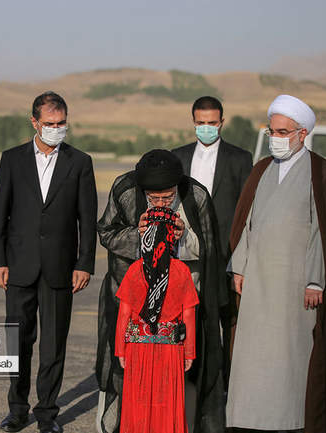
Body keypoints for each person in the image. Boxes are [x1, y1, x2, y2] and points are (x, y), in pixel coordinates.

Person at [227, 94, 326, 433]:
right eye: (272, 131)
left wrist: (315, 280)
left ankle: (293, 421)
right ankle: (252, 421)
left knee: (290, 360)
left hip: (296, 286)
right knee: (254, 358)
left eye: (283, 132)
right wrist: (239, 267)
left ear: (302, 134)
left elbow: (324, 233)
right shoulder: (261, 170)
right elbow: (247, 222)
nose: (276, 138)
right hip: (258, 282)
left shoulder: (322, 173)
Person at [0, 91, 98, 433]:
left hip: (60, 269)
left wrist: (84, 263)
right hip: (19, 266)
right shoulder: (12, 159)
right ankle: (17, 409)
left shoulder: (80, 162)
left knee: (53, 346)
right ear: (34, 122)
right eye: (50, 123)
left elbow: (87, 217)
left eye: (61, 122)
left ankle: (48, 414)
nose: (56, 128)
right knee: (18, 341)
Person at [96, 149, 226, 433]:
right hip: (134, 299)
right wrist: (138, 235)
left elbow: (211, 247)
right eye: (153, 198)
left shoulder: (196, 195)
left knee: (180, 379)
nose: (161, 203)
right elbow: (106, 232)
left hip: (179, 303)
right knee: (125, 374)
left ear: (177, 187)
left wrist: (183, 237)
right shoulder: (125, 189)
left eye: (167, 198)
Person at [172, 95, 252, 381]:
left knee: (228, 320)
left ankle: (228, 385)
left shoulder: (240, 159)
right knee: (189, 318)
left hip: (226, 254)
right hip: (188, 253)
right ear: (193, 122)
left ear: (222, 122)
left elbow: (246, 211)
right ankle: (191, 381)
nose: (206, 128)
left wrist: (240, 259)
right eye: (201, 123)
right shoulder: (178, 157)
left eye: (212, 123)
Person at [115, 206, 199, 433]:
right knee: (166, 403)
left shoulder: (135, 270)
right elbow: (188, 315)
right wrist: (189, 352)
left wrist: (120, 349)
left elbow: (124, 313)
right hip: (170, 350)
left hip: (137, 349)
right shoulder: (181, 271)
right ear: (171, 237)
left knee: (139, 403)